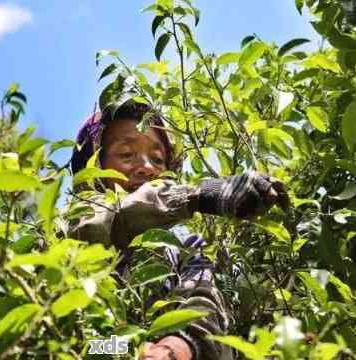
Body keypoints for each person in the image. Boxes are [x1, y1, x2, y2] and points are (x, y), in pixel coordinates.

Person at [67, 102, 290, 360]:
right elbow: (105, 223)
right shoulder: (80, 216)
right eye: (126, 154)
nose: (147, 167)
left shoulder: (185, 243)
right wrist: (199, 195)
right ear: (94, 169)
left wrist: (179, 347)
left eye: (158, 159)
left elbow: (205, 303)